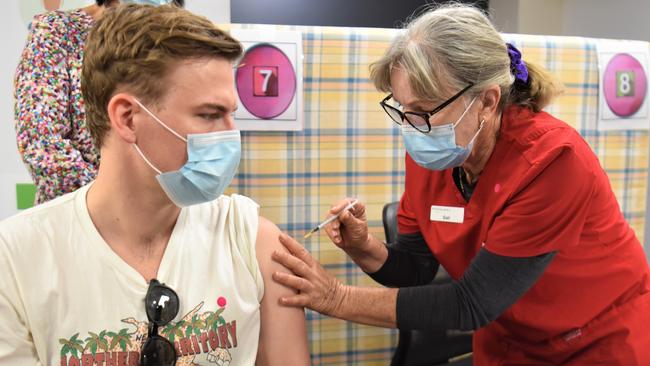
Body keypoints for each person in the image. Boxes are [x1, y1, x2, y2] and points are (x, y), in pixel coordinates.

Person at [271, 4, 650, 365]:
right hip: (509, 337)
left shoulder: (553, 162)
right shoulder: (437, 149)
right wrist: (363, 246)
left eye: (423, 110)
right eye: (402, 109)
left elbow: (472, 303)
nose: (410, 127)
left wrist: (336, 298)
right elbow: (416, 267)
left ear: (486, 101)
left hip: (594, 340)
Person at [0, 4, 309, 365]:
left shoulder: (252, 240)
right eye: (209, 115)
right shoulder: (17, 260)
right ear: (128, 118)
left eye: (232, 115)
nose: (230, 136)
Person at [14, 0, 184, 205]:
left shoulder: (175, 38)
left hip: (163, 213)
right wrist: (116, 203)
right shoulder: (58, 30)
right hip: (79, 215)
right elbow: (42, 144)